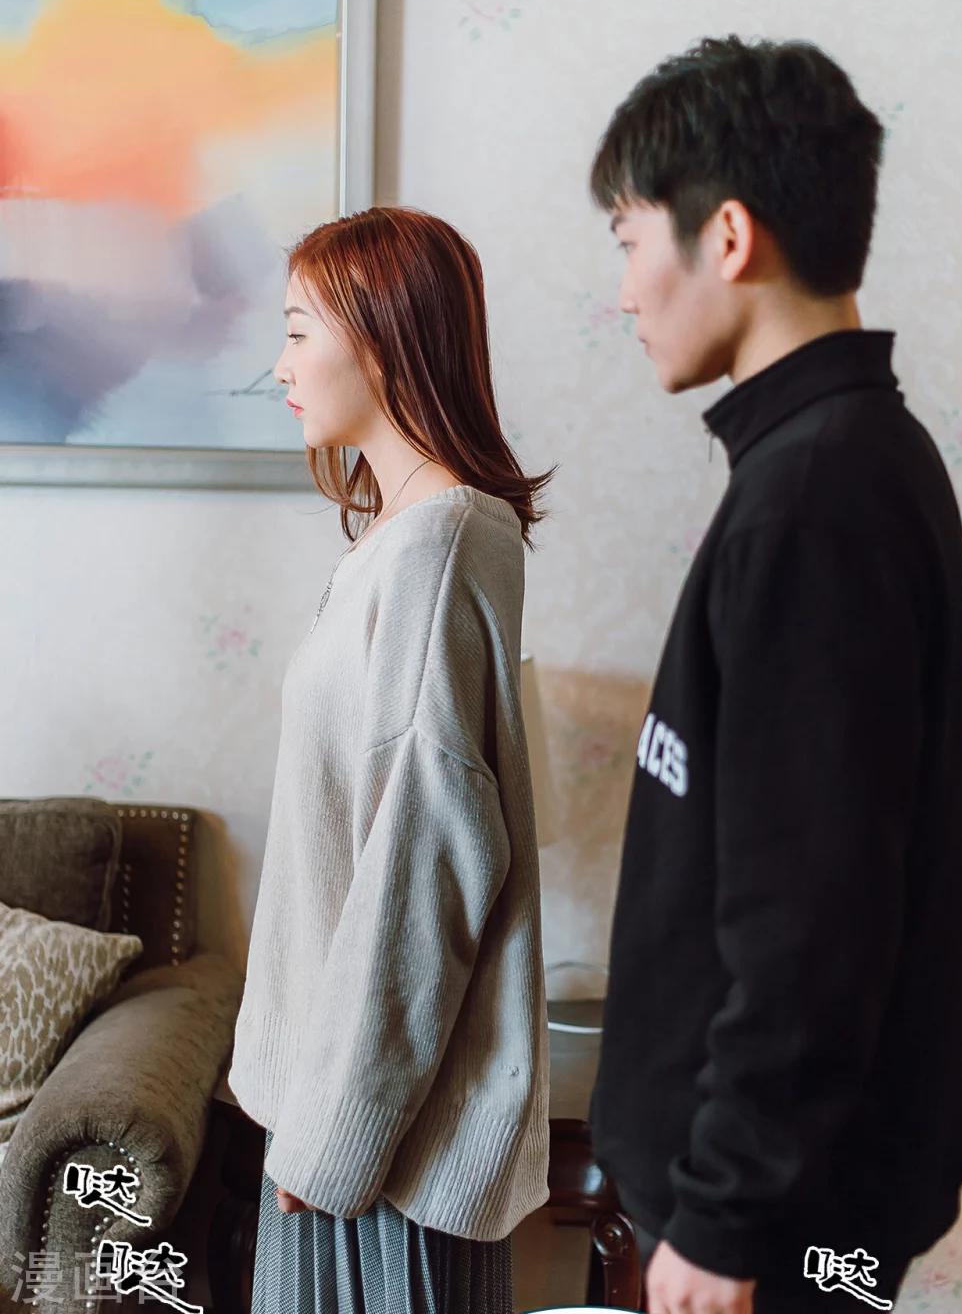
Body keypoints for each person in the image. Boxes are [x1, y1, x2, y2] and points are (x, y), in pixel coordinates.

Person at [586, 36, 962, 1314]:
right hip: (775, 1200)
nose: (624, 291)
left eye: (628, 241)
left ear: (728, 235)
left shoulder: (813, 497)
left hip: (773, 1224)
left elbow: (813, 917)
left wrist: (721, 1216)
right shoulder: (835, 455)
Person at [227, 205, 556, 1314]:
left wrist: (335, 1140)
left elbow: (426, 865)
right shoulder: (398, 538)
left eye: (297, 331)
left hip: (379, 1153)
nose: (279, 365)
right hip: (340, 1122)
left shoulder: (441, 541)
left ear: (381, 335)